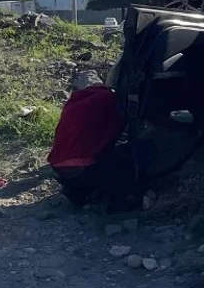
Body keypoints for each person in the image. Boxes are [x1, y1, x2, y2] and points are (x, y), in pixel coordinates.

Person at [47, 83, 142, 212]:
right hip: (81, 169)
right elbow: (117, 130)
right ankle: (117, 205)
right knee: (127, 155)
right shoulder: (108, 100)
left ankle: (75, 194)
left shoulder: (75, 102)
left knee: (86, 156)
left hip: (57, 166)